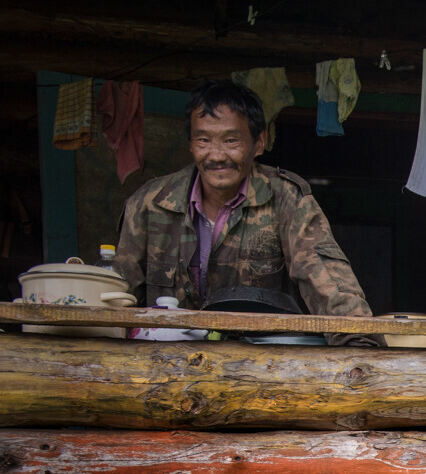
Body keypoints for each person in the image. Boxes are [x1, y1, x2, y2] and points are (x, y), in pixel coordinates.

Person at [112, 80, 377, 343]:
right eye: (203, 140)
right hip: (165, 368)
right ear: (191, 144)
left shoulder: (285, 199)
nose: (216, 155)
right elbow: (116, 300)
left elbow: (330, 285)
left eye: (230, 140)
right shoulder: (149, 204)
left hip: (259, 368)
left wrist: (362, 350)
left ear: (258, 143)